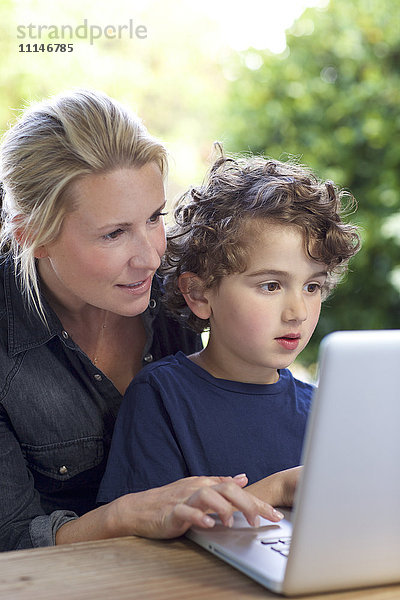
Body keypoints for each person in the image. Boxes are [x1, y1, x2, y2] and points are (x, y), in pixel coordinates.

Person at [0, 90, 286, 552]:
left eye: (155, 217)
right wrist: (126, 514)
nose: (152, 257)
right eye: (114, 233)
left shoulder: (183, 281)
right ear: (33, 237)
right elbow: (9, 541)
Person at [98, 154, 361, 502]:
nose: (297, 312)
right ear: (199, 294)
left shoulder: (321, 411)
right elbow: (145, 536)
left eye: (312, 287)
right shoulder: (161, 395)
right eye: (271, 286)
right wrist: (275, 490)